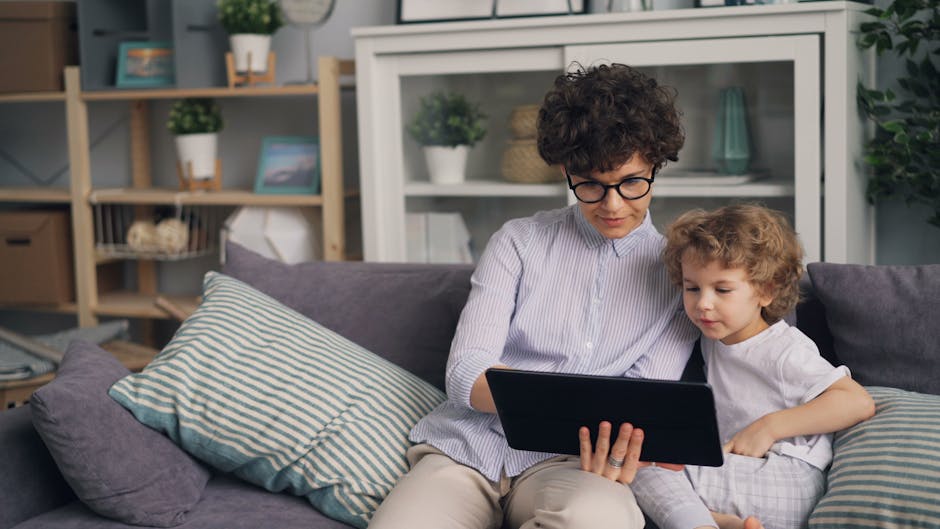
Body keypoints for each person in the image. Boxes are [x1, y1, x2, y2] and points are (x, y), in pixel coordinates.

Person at [367, 62, 699, 529]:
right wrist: (591, 408)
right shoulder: (518, 241)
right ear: (566, 170)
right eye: (589, 185)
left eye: (630, 182)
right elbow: (465, 374)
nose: (612, 205)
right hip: (466, 452)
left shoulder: (680, 271)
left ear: (655, 165)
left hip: (574, 467)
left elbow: (642, 402)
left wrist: (615, 437)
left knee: (601, 521)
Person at [628, 204, 876, 529]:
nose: (703, 303)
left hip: (788, 480)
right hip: (749, 476)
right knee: (630, 469)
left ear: (765, 291)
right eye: (692, 288)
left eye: (722, 290)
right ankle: (721, 522)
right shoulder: (714, 337)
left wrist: (768, 427)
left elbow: (857, 402)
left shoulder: (783, 349)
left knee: (641, 465)